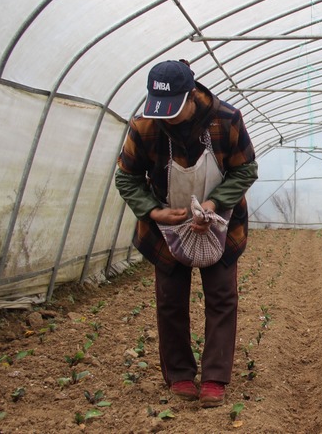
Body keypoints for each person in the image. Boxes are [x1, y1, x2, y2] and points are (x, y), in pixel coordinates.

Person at [115, 59, 258, 407]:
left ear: (192, 96)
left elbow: (245, 170)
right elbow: (127, 177)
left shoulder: (226, 120)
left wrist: (213, 204)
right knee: (170, 299)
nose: (167, 117)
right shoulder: (145, 125)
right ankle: (179, 374)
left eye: (174, 109)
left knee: (221, 297)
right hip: (166, 226)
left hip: (219, 222)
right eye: (161, 109)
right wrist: (154, 211)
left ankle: (214, 378)